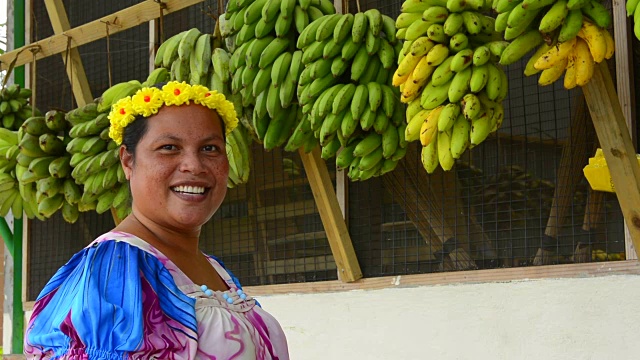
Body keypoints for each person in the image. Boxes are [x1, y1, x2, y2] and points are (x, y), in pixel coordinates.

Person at [24, 81, 290, 359]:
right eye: (169, 147)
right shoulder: (112, 270)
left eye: (210, 148)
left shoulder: (214, 270)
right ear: (128, 162)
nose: (194, 165)